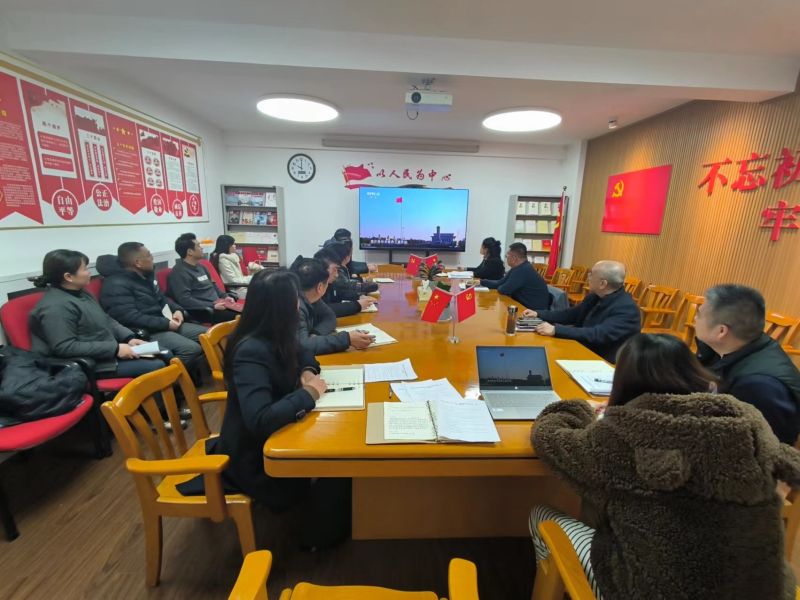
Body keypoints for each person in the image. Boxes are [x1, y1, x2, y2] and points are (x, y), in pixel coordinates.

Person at [530, 333, 800, 600]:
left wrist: (578, 409)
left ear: (623, 382)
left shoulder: (624, 433)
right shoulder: (747, 423)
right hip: (765, 589)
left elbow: (548, 437)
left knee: (541, 516)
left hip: (650, 590)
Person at [193, 269, 351, 549]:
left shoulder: (277, 332)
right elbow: (261, 419)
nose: (299, 305)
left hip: (281, 428)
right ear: (281, 306)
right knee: (341, 457)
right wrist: (308, 394)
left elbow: (306, 355)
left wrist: (306, 371)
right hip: (255, 455)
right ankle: (315, 539)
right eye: (294, 300)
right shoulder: (251, 350)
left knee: (343, 447)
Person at [29, 249, 165, 379]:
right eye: (85, 269)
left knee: (164, 353)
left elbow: (106, 319)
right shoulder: (55, 306)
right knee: (157, 365)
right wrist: (115, 349)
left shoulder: (82, 293)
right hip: (86, 364)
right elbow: (65, 347)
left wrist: (128, 337)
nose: (89, 273)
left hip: (105, 352)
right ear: (68, 277)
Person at [695, 284, 800, 445]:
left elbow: (767, 449)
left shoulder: (760, 387)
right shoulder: (730, 347)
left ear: (721, 331)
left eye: (699, 315)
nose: (695, 319)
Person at [97, 242, 207, 373]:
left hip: (163, 323)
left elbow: (162, 298)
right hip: (146, 332)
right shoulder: (115, 285)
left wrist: (177, 310)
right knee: (190, 349)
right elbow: (128, 317)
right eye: (149, 255)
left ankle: (194, 376)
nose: (152, 258)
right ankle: (173, 382)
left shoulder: (145, 276)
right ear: (138, 263)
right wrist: (166, 324)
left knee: (208, 335)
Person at [523, 260, 640, 363]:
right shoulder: (595, 296)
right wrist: (539, 313)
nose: (588, 277)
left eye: (592, 274)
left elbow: (597, 334)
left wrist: (556, 330)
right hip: (582, 349)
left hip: (603, 361)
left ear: (602, 284)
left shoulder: (627, 309)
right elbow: (571, 314)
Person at [290, 257, 374, 354]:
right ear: (320, 287)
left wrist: (316, 334)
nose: (337, 275)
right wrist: (347, 339)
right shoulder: (294, 305)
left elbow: (329, 316)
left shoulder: (311, 297)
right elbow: (303, 347)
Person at [167, 233, 238, 323]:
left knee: (249, 311)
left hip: (218, 304)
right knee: (243, 317)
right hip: (204, 311)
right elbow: (185, 300)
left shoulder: (201, 267)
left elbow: (213, 285)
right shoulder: (179, 272)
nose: (202, 248)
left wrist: (225, 296)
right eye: (198, 246)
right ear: (190, 252)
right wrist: (212, 305)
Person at [480, 242, 549, 310]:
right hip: (524, 307)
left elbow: (503, 290)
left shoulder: (523, 270)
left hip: (534, 312)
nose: (506, 258)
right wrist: (481, 282)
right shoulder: (518, 268)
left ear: (514, 258)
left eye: (507, 256)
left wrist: (502, 286)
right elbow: (499, 283)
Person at [314, 246, 376, 317]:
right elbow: (324, 310)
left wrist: (359, 297)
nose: (337, 275)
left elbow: (339, 294)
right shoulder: (314, 285)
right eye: (334, 270)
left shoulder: (328, 282)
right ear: (322, 268)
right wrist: (357, 305)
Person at [209, 234, 262, 299]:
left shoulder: (233, 257)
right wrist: (252, 278)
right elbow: (233, 280)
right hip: (235, 290)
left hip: (242, 286)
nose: (235, 246)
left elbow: (240, 275)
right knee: (265, 293)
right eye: (233, 244)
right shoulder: (222, 260)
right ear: (227, 246)